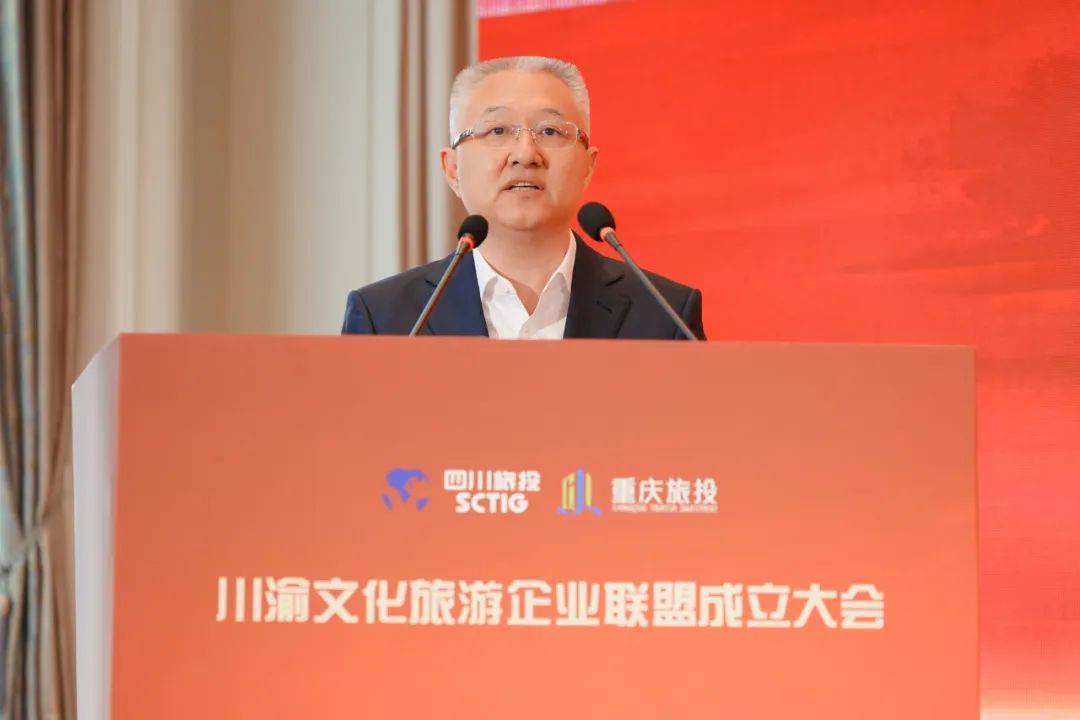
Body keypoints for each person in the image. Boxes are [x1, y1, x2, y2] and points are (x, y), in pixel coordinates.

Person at [341, 55, 704, 340]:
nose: (526, 154)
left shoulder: (664, 315)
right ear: (452, 169)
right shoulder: (386, 318)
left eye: (550, 131)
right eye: (498, 130)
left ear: (588, 166)